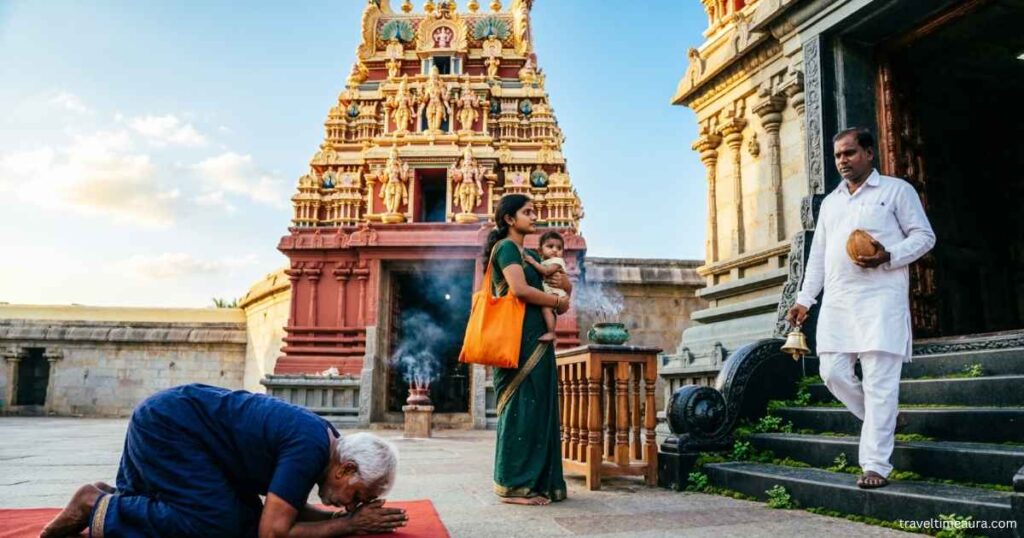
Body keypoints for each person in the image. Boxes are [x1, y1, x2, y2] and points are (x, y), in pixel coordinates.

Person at [41, 384, 407, 537]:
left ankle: (117, 501)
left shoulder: (324, 443)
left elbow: (289, 507)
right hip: (170, 427)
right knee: (220, 525)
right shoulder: (310, 448)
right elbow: (273, 532)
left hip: (183, 430)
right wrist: (343, 526)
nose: (350, 504)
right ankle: (94, 504)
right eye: (356, 496)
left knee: (244, 516)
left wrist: (344, 520)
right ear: (346, 469)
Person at [787, 128, 935, 489]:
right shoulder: (831, 203)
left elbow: (924, 236)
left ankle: (875, 466)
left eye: (850, 153)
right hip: (839, 302)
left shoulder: (896, 190)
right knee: (832, 373)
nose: (843, 161)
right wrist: (805, 299)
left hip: (880, 301)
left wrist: (889, 255)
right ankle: (883, 418)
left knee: (880, 383)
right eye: (838, 155)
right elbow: (818, 256)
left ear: (869, 153)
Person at [483, 194, 572, 506]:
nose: (535, 217)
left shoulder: (530, 254)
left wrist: (564, 293)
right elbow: (519, 290)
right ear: (509, 219)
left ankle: (539, 482)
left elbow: (560, 287)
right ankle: (513, 485)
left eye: (534, 211)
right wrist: (557, 301)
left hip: (538, 339)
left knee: (539, 408)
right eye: (528, 212)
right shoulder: (506, 248)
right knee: (520, 408)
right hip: (517, 340)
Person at [524, 230, 567, 343]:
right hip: (550, 291)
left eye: (559, 248)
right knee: (547, 309)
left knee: (546, 308)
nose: (555, 250)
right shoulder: (544, 261)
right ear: (540, 250)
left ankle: (551, 332)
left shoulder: (557, 261)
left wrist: (533, 262)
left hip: (555, 292)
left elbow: (547, 272)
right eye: (550, 246)